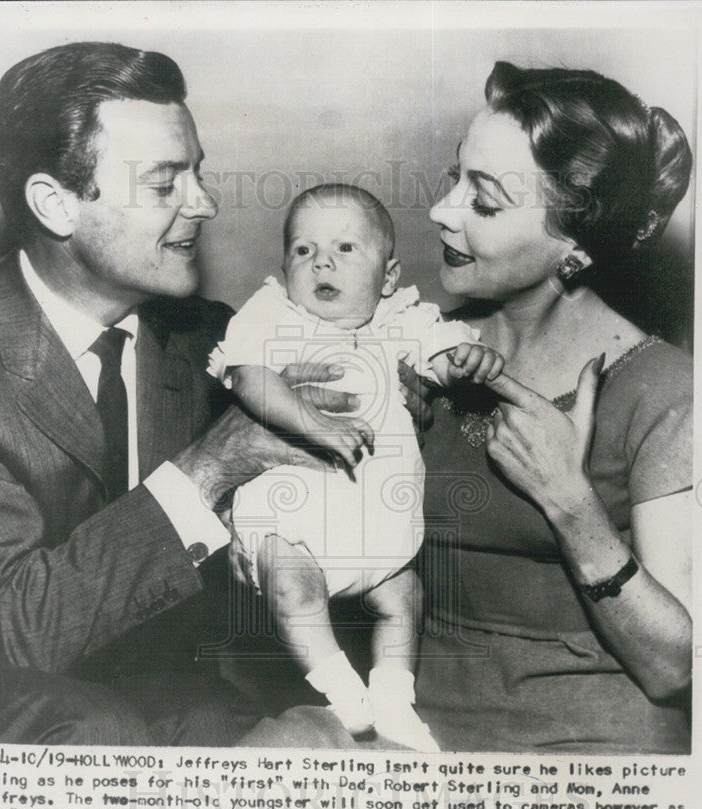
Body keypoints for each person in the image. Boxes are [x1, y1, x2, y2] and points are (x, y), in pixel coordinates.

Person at [0, 41, 392, 746]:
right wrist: (207, 468)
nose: (206, 204)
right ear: (55, 205)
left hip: (174, 712)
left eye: (197, 174)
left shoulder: (215, 344)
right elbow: (4, 637)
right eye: (166, 185)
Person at [414, 61, 693, 753]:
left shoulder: (667, 392)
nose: (439, 210)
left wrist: (569, 502)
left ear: (570, 246)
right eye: (456, 179)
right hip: (422, 733)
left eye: (482, 202)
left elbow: (677, 669)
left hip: (586, 754)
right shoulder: (421, 346)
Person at [208, 183, 503, 750]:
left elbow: (441, 358)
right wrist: (317, 426)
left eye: (346, 249)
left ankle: (393, 699)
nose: (321, 260)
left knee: (404, 597)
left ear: (388, 278)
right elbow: (250, 376)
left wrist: (467, 360)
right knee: (294, 595)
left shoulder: (399, 318)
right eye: (303, 250)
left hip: (376, 519)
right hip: (293, 513)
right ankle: (343, 692)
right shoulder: (273, 313)